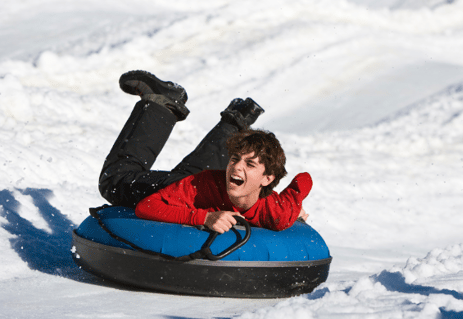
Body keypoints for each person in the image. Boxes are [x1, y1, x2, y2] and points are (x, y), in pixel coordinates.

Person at [99, 70, 311, 233]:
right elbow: (147, 207)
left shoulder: (277, 212)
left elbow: (304, 181)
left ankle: (237, 121)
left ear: (267, 179)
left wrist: (295, 210)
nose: (237, 165)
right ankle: (162, 103)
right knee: (115, 181)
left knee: (199, 175)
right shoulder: (197, 186)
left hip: (207, 185)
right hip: (189, 188)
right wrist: (204, 218)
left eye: (250, 164)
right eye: (235, 158)